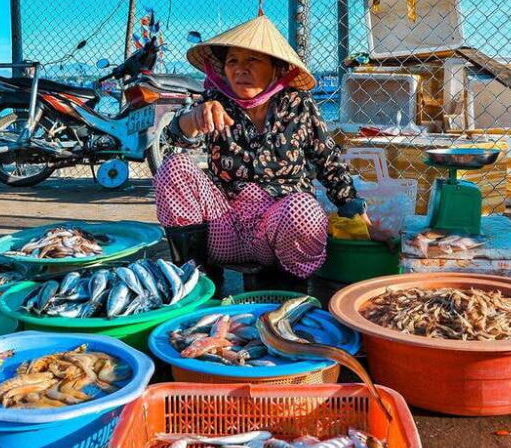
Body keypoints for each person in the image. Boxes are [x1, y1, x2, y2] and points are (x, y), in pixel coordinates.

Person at [154, 15, 370, 285]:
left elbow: (328, 161)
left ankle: (288, 289)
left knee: (304, 208)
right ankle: (198, 282)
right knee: (175, 166)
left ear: (276, 69)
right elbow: (174, 138)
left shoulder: (297, 104)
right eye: (232, 61)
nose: (240, 69)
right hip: (224, 227)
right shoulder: (214, 100)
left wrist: (351, 205)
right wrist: (192, 119)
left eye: (252, 60)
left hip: (278, 229)